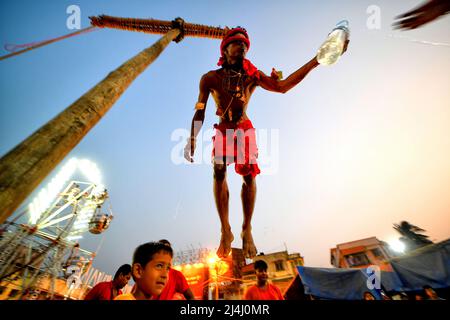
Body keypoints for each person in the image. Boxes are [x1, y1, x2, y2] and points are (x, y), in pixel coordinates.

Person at [184, 27, 349, 259]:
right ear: (226, 48)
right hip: (223, 129)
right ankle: (225, 230)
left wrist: (317, 60)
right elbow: (200, 110)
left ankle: (246, 229)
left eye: (245, 44)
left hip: (243, 128)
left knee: (249, 176)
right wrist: (192, 137)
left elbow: (283, 86)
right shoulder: (210, 78)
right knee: (218, 171)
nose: (242, 46)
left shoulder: (252, 75)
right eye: (237, 43)